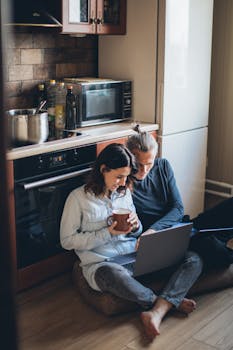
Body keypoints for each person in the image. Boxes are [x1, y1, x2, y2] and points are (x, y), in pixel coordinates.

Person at [60, 142, 202, 339]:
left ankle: (157, 308)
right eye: (118, 176)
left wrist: (137, 227)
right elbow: (67, 241)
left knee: (193, 259)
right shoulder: (77, 199)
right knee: (112, 274)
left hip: (134, 256)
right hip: (104, 264)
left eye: (126, 177)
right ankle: (163, 303)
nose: (123, 182)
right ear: (103, 170)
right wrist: (107, 233)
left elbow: (136, 231)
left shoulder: (124, 192)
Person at [126, 126, 233, 335]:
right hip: (161, 245)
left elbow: (177, 208)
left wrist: (155, 228)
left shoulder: (163, 166)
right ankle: (157, 312)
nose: (144, 170)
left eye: (149, 163)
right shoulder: (124, 184)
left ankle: (210, 241)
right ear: (129, 157)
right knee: (205, 253)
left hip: (183, 228)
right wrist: (149, 234)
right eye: (138, 165)